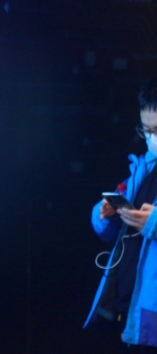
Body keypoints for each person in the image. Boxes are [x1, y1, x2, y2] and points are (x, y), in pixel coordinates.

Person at [85, 76, 157, 353]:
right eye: (147, 131)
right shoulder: (144, 168)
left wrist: (154, 223)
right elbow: (111, 230)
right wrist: (107, 214)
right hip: (130, 312)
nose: (152, 139)